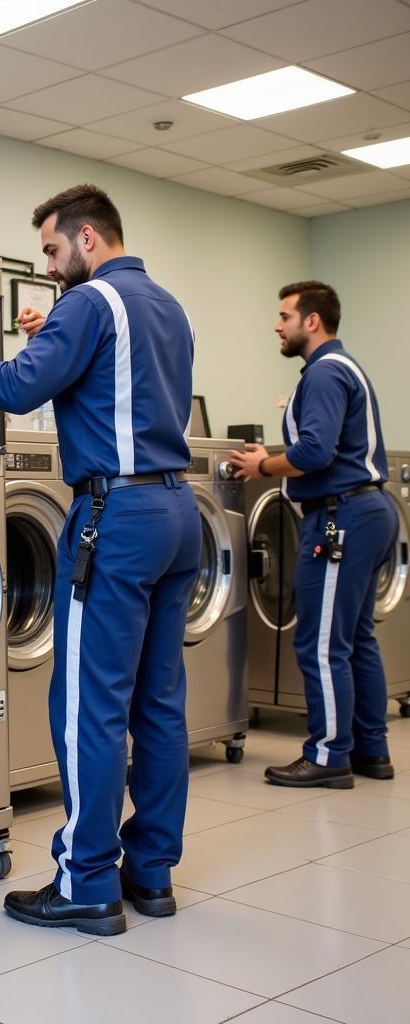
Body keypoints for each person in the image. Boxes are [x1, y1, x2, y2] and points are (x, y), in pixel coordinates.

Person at [0, 184, 200, 936]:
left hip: (116, 516)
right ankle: (151, 873)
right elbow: (123, 386)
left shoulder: (89, 305)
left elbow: (17, 387)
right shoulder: (167, 307)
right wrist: (58, 330)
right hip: (178, 514)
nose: (48, 267)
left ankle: (85, 883)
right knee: (160, 704)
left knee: (90, 708)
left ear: (86, 237)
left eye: (50, 250)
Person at [229, 281, 396, 789]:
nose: (277, 326)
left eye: (284, 316)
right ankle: (371, 751)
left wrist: (263, 464)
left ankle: (327, 756)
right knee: (355, 640)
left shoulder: (323, 373)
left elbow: (315, 453)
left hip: (339, 516)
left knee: (322, 645)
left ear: (312, 321)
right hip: (370, 510)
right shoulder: (346, 368)